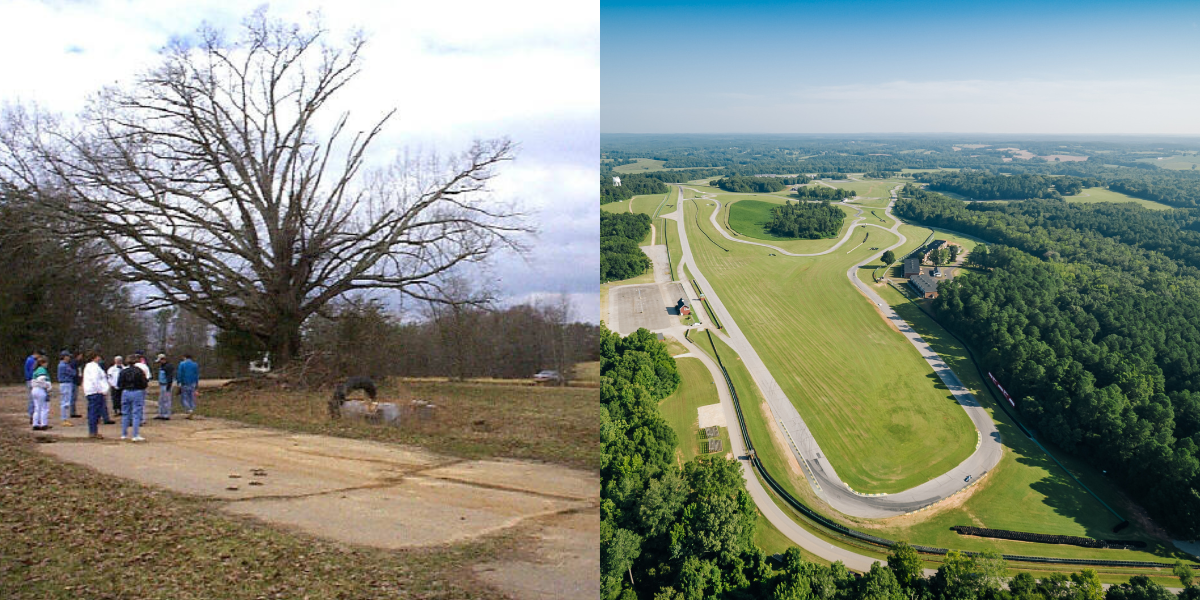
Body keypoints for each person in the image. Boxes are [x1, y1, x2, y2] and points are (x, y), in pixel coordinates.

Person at [118, 353, 149, 442]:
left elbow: (119, 384)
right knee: (136, 413)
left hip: (126, 392)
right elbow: (144, 383)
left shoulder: (123, 371)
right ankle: (135, 434)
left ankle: (124, 434)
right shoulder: (139, 371)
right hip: (137, 392)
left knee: (125, 413)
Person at [82, 352, 110, 439]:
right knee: (94, 412)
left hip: (93, 391)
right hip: (95, 392)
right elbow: (95, 380)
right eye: (98, 357)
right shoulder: (93, 367)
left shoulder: (90, 367)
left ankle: (93, 431)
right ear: (95, 357)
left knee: (94, 411)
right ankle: (93, 431)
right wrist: (100, 390)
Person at [30, 356, 52, 431]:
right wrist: (47, 386)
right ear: (43, 363)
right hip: (40, 390)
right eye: (46, 363)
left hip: (34, 390)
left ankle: (35, 424)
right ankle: (44, 424)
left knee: (37, 408)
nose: (47, 364)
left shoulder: (36, 370)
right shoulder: (42, 369)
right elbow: (41, 379)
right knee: (44, 408)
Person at [176, 353, 199, 419]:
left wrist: (179, 382)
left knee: (184, 398)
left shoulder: (182, 364)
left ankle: (189, 410)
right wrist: (197, 385)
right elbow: (196, 375)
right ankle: (192, 409)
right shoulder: (195, 364)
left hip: (185, 383)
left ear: (185, 357)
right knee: (192, 397)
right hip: (193, 383)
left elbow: (180, 374)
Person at [56, 351, 76, 427]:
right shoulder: (63, 365)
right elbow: (73, 373)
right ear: (65, 357)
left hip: (65, 384)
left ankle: (65, 418)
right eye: (68, 356)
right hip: (65, 383)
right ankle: (64, 419)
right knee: (65, 402)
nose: (69, 358)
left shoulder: (63, 365)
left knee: (65, 401)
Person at [154, 353, 176, 420]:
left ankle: (166, 414)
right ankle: (161, 414)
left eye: (160, 360)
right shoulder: (162, 366)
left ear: (163, 359)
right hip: (162, 385)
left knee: (166, 400)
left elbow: (169, 377)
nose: (159, 362)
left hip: (166, 385)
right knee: (161, 400)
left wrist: (168, 386)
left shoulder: (168, 367)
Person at [71, 351, 85, 418]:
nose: (81, 357)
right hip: (74, 381)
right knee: (73, 397)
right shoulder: (74, 363)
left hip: (76, 381)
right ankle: (72, 412)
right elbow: (75, 372)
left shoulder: (78, 363)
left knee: (74, 397)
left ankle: (73, 411)